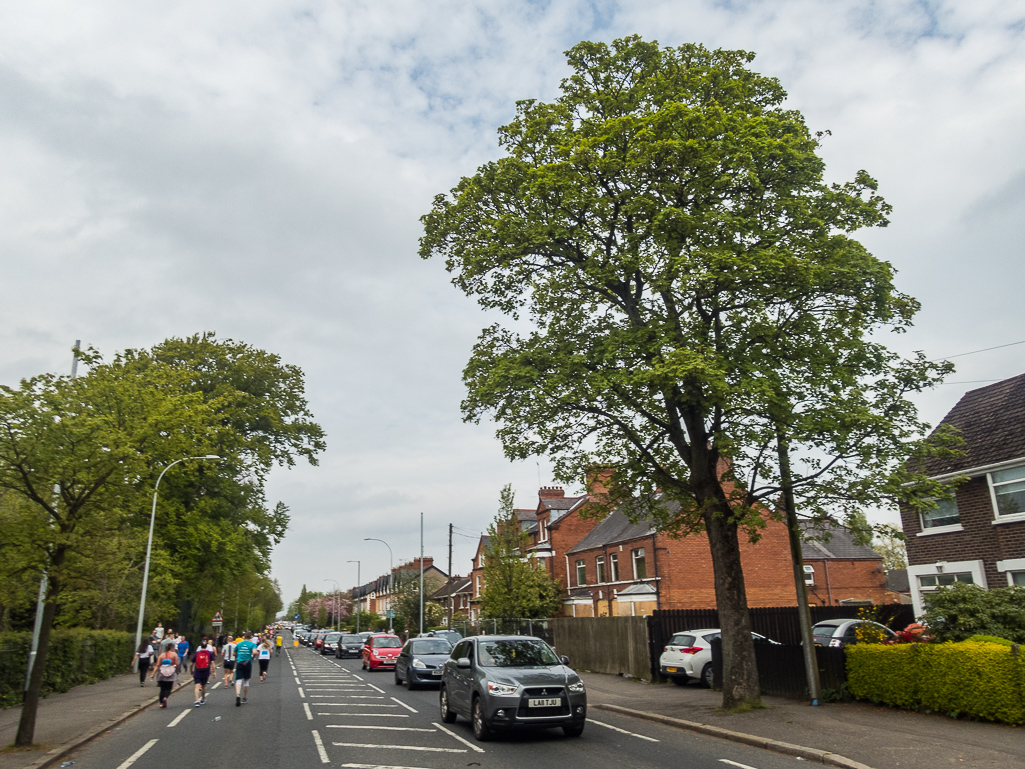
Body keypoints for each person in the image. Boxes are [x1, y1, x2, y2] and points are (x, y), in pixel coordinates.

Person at [233, 632, 258, 706]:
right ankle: (244, 697)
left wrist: (239, 654)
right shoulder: (252, 644)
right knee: (246, 680)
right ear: (250, 637)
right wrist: (252, 655)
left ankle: (238, 694)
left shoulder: (239, 644)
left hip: (239, 663)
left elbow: (234, 653)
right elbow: (254, 652)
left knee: (238, 680)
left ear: (244, 637)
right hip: (247, 663)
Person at [191, 638, 216, 707]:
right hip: (206, 671)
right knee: (204, 686)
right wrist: (214, 672)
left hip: (197, 671)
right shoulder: (209, 653)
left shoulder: (197, 653)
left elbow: (191, 663)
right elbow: (212, 663)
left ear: (200, 646)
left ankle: (196, 701)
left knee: (197, 686)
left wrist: (191, 670)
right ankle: (202, 698)